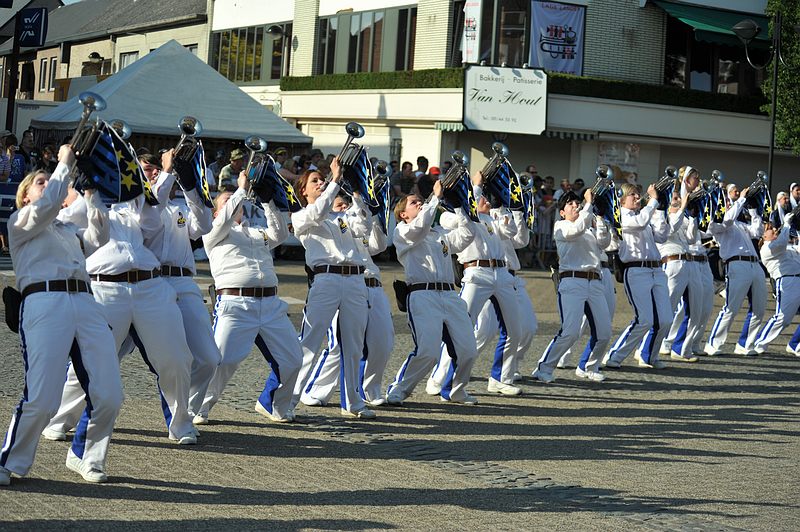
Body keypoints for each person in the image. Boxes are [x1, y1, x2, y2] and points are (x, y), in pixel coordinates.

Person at [43, 150, 197, 446]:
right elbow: (62, 218)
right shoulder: (76, 207)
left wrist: (145, 187)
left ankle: (181, 423)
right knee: (92, 361)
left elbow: (153, 224)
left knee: (176, 358)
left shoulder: (130, 205)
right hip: (105, 289)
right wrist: (87, 190)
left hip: (149, 287)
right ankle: (60, 418)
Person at [0, 146, 123, 485]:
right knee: (41, 398)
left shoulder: (66, 229)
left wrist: (92, 193)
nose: (48, 183)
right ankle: (10, 461)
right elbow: (46, 206)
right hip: (44, 301)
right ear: (25, 196)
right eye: (40, 182)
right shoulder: (21, 222)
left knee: (110, 393)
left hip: (85, 302)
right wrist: (63, 164)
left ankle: (86, 457)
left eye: (47, 179)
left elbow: (100, 236)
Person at [198, 171, 302, 423]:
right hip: (235, 304)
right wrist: (240, 190)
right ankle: (196, 408)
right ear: (216, 212)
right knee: (221, 361)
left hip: (270, 304)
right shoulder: (213, 231)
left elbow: (280, 234)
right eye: (226, 201)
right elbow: (223, 220)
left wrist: (268, 202)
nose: (235, 203)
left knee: (293, 359)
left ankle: (273, 405)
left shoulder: (256, 233)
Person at [141, 152, 222, 426]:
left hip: (184, 282)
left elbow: (203, 226)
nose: (154, 173)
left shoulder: (177, 209)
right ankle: (62, 418)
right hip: (147, 284)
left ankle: (183, 414)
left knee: (209, 358)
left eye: (155, 168)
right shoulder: (135, 207)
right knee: (106, 354)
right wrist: (165, 173)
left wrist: (188, 187)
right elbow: (150, 212)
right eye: (147, 169)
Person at [289, 160, 375, 419]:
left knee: (354, 344)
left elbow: (364, 229)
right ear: (303, 191)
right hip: (325, 279)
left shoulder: (341, 217)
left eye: (321, 179)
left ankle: (352, 402)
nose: (321, 182)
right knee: (310, 342)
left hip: (355, 280)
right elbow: (318, 211)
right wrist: (335, 179)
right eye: (314, 181)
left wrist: (358, 195)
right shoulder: (301, 215)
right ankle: (287, 400)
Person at [386, 182, 479, 405]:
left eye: (420, 201)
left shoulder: (439, 233)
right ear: (402, 214)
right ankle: (399, 388)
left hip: (449, 294)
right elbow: (419, 227)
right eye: (413, 202)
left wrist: (459, 207)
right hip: (422, 294)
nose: (420, 203)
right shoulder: (403, 231)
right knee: (428, 351)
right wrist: (434, 198)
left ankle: (455, 390)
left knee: (468, 349)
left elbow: (468, 235)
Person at [428, 184, 525, 397]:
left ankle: (501, 378)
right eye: (483, 198)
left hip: (501, 273)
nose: (487, 201)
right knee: (461, 328)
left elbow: (511, 232)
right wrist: (477, 187)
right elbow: (460, 220)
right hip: (476, 272)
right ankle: (439, 377)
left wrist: (502, 210)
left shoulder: (491, 219)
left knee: (514, 330)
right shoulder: (449, 216)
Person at [300, 196, 394, 408]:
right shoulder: (328, 224)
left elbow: (378, 246)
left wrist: (375, 214)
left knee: (382, 342)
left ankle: (369, 390)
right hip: (343, 282)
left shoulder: (355, 223)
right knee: (338, 346)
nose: (345, 208)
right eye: (339, 205)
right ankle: (315, 389)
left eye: (346, 204)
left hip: (370, 285)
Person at [533, 189, 611, 383]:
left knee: (604, 332)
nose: (576, 206)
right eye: (571, 204)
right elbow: (576, 230)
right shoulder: (561, 226)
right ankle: (544, 368)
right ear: (562, 212)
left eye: (578, 203)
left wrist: (600, 218)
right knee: (570, 331)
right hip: (572, 281)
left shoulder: (588, 227)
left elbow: (604, 243)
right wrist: (588, 205)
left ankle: (588, 366)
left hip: (594, 281)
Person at [602, 182, 672, 369]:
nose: (638, 197)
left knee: (665, 319)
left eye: (637, 194)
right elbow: (639, 223)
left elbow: (662, 236)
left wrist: (660, 210)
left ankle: (648, 355)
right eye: (633, 195)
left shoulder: (644, 215)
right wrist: (653, 201)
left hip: (656, 269)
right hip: (636, 270)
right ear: (622, 200)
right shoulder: (621, 216)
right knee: (644, 319)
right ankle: (615, 355)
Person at [473, 196, 537, 386]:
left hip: (510, 276)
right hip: (486, 273)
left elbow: (520, 241)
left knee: (528, 327)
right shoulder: (480, 208)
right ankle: (447, 370)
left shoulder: (506, 211)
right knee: (483, 332)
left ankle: (507, 370)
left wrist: (517, 212)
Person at [704, 185, 765, 355]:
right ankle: (714, 344)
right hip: (736, 264)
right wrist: (741, 200)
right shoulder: (716, 223)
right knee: (731, 307)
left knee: (759, 308)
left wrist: (753, 211)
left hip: (755, 263)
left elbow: (757, 231)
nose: (730, 206)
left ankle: (745, 344)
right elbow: (726, 221)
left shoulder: (740, 223)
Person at [753, 213, 800, 353]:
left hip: (797, 278)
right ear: (763, 236)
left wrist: (798, 229)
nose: (774, 230)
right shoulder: (767, 248)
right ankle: (759, 342)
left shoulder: (786, 246)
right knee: (783, 318)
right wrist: (786, 224)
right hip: (787, 282)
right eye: (770, 229)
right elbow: (780, 243)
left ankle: (795, 344)